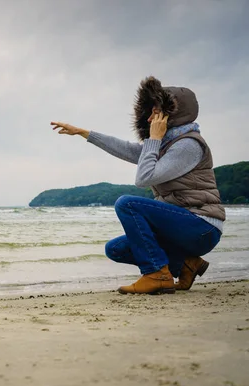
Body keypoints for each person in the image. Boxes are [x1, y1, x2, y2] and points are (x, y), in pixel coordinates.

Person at [51, 76, 225, 294]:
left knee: (127, 204)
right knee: (115, 249)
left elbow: (143, 179)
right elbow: (127, 149)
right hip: (182, 226)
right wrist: (83, 133)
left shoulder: (188, 145)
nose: (150, 118)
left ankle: (157, 274)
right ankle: (186, 264)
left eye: (156, 113)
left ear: (172, 114)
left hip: (202, 226)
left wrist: (153, 139)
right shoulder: (166, 144)